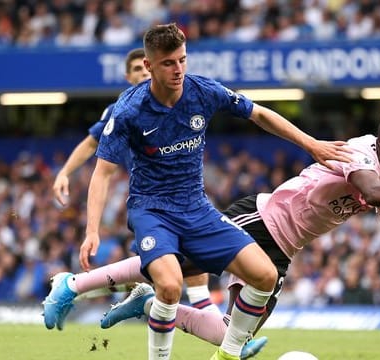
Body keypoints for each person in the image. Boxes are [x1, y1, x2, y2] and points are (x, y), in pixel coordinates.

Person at [42, 23, 353, 360]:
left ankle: (227, 354)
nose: (178, 70)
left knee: (264, 275)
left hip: (197, 209)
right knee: (171, 286)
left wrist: (311, 143)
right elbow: (102, 174)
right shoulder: (129, 110)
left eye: (182, 60)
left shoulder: (203, 91)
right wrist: (91, 230)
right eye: (168, 63)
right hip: (152, 209)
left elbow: (259, 114)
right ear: (149, 66)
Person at [97, 110, 380, 347]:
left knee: (236, 332)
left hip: (284, 248)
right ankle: (81, 284)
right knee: (177, 266)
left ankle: (148, 304)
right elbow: (370, 191)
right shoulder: (361, 152)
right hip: (263, 219)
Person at [51, 47, 219, 314]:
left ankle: (94, 290)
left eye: (145, 68)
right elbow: (90, 144)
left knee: (188, 269)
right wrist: (64, 173)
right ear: (128, 77)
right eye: (137, 70)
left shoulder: (177, 99)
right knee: (171, 269)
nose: (143, 73)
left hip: (184, 199)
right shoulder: (122, 110)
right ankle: (79, 287)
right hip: (150, 203)